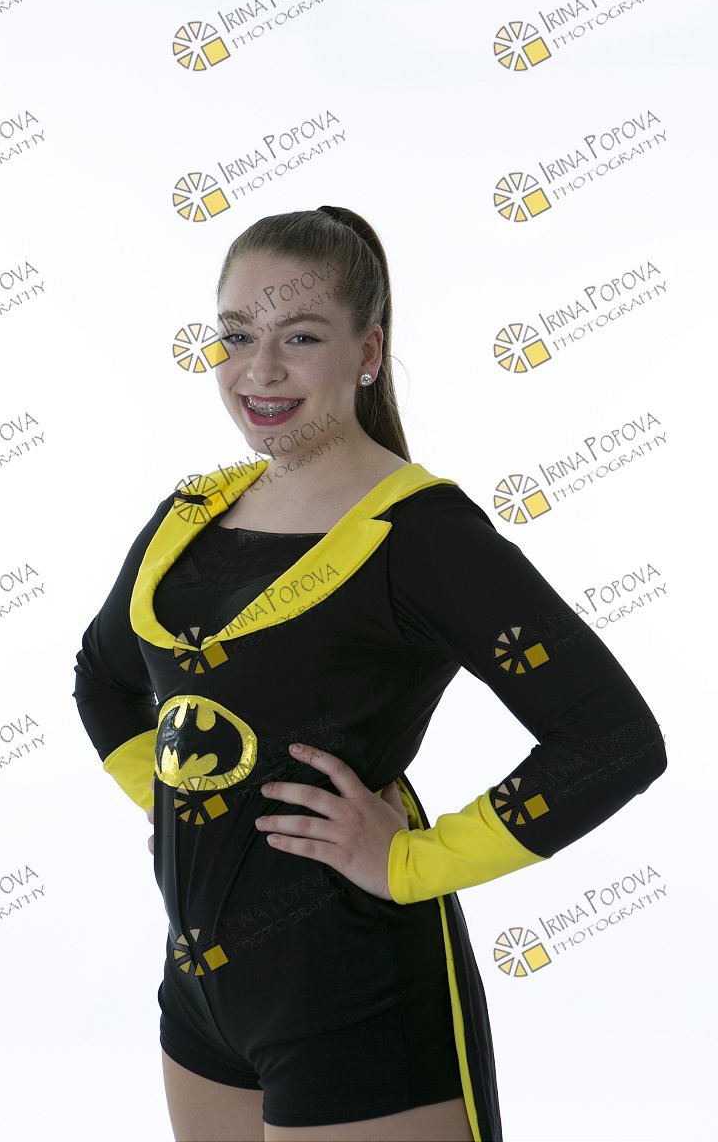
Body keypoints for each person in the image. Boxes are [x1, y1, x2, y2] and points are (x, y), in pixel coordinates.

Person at [72, 206, 667, 1142]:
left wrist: (409, 861)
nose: (259, 371)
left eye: (301, 337)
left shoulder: (422, 536)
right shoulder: (190, 516)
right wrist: (177, 798)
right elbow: (101, 679)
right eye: (238, 335)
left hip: (357, 1001)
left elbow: (615, 739)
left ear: (368, 352)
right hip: (200, 998)